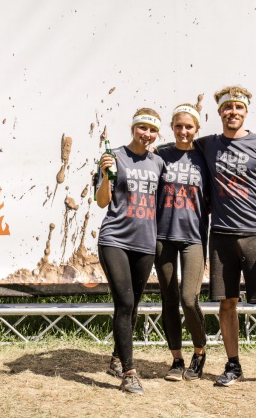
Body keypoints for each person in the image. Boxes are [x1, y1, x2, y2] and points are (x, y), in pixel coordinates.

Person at [195, 85, 256, 389]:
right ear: (219, 112)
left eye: (238, 107)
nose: (233, 112)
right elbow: (176, 148)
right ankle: (233, 366)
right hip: (221, 236)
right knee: (227, 304)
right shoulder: (207, 145)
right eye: (228, 107)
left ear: (246, 111)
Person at [95, 108, 165, 395]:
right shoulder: (114, 157)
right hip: (115, 239)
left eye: (152, 129)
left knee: (133, 304)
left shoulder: (158, 162)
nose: (146, 134)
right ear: (133, 128)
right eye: (142, 128)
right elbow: (102, 202)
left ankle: (116, 358)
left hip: (145, 241)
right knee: (124, 302)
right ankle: (129, 372)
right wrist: (105, 175)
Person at [154, 104, 210, 381]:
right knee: (169, 299)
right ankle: (176, 360)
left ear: (196, 129)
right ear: (172, 127)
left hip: (193, 237)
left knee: (189, 299)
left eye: (189, 127)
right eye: (179, 126)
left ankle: (199, 352)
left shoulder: (205, 158)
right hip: (162, 237)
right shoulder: (160, 155)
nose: (183, 131)